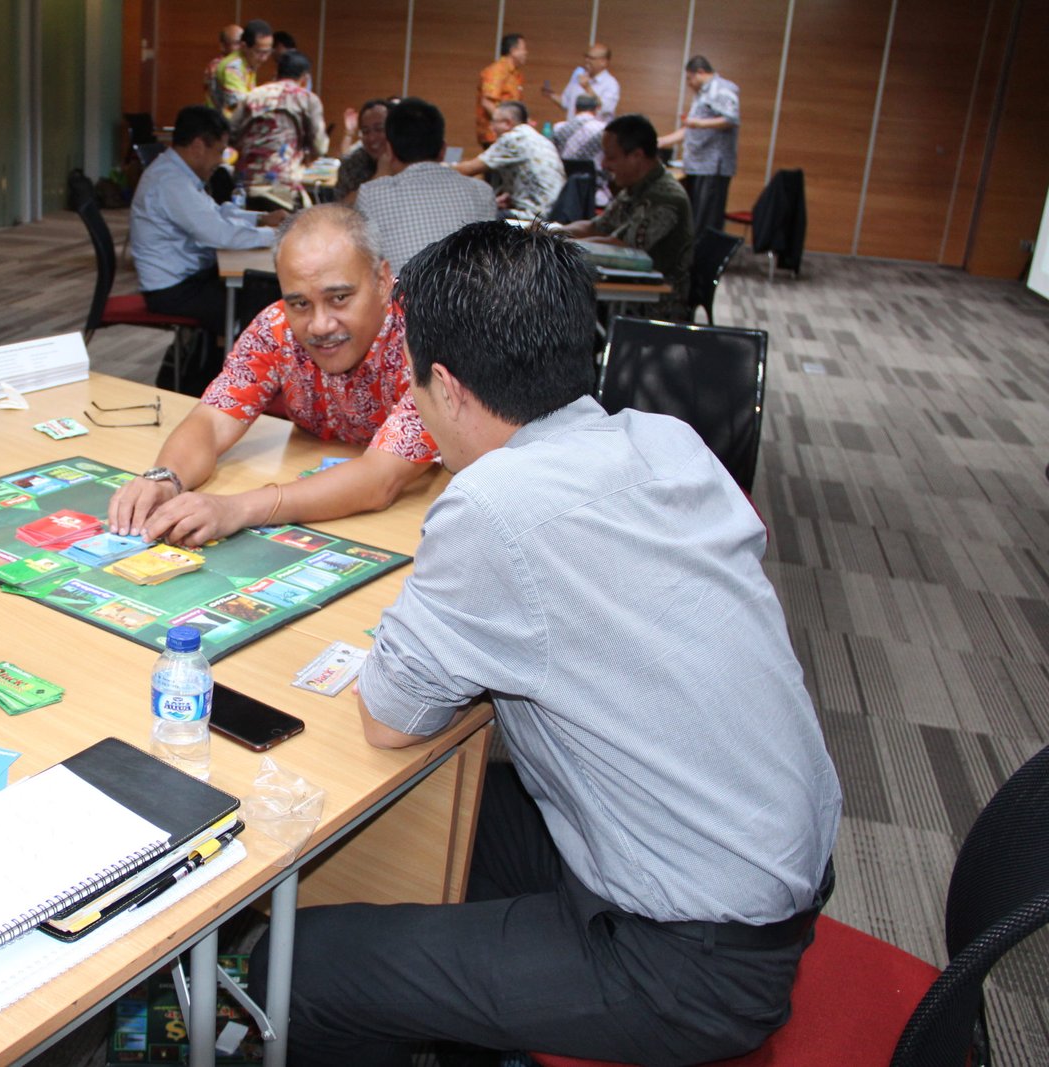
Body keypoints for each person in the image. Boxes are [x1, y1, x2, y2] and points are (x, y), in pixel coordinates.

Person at [249, 219, 841, 1067]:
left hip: (686, 960)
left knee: (296, 966)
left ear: (447, 387)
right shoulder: (666, 440)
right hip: (756, 862)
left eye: (414, 385)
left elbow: (388, 717)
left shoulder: (492, 503)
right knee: (419, 822)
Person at [107, 205, 436, 547]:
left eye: (339, 298)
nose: (320, 325)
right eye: (300, 304)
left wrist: (238, 508)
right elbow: (212, 421)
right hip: (325, 507)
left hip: (416, 523)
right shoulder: (276, 326)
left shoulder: (427, 339)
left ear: (382, 282)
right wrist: (165, 479)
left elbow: (379, 481)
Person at [129, 105, 285, 394]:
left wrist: (261, 220)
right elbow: (218, 234)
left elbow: (215, 214)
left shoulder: (177, 173)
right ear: (199, 146)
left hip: (185, 280)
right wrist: (276, 235)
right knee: (261, 302)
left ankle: (227, 380)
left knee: (257, 291)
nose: (220, 160)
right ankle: (231, 388)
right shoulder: (170, 181)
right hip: (172, 291)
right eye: (219, 151)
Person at [559, 113, 693, 320]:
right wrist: (549, 231)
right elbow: (597, 227)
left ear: (637, 156)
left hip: (654, 307)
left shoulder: (666, 197)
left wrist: (557, 244)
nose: (603, 164)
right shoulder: (636, 187)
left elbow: (620, 246)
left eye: (611, 157)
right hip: (626, 292)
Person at [356, 98, 496, 272]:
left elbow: (366, 264)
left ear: (389, 150)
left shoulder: (370, 194)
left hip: (401, 289)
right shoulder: (482, 191)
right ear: (443, 150)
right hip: (469, 289)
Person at [659, 55, 740, 236]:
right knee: (696, 220)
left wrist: (699, 123)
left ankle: (704, 254)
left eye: (689, 78)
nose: (688, 83)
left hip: (712, 166)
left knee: (706, 221)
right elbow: (691, 129)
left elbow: (731, 119)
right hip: (698, 165)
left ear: (700, 72)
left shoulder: (721, 89)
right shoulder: (703, 93)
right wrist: (662, 141)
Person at [232, 50, 328, 187]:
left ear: (277, 73)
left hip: (244, 180)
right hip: (283, 182)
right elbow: (320, 147)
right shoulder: (308, 99)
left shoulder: (252, 95)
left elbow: (231, 134)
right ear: (305, 77)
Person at [454, 101, 565, 218]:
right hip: (554, 212)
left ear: (507, 123)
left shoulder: (513, 138)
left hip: (534, 216)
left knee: (468, 218)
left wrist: (441, 167)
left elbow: (467, 170)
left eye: (493, 122)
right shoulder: (539, 138)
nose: (491, 127)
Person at [333, 98, 394, 204]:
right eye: (365, 131)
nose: (371, 138)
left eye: (379, 129)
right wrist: (378, 177)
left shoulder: (408, 162)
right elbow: (340, 209)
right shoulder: (351, 165)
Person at [555, 94, 609, 207]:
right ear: (596, 110)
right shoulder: (604, 130)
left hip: (563, 190)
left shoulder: (558, 128)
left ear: (575, 109)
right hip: (596, 192)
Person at [212, 19, 274, 116]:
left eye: (267, 52)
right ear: (244, 46)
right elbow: (241, 105)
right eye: (259, 52)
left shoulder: (249, 61)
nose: (264, 58)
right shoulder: (232, 67)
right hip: (224, 122)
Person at [542, 42, 619, 120]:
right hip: (572, 127)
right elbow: (566, 103)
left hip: (595, 128)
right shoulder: (578, 77)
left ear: (603, 62)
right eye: (586, 56)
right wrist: (551, 95)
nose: (586, 60)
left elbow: (605, 109)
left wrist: (587, 88)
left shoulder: (611, 84)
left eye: (591, 58)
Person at [476, 33, 527, 148]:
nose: (526, 53)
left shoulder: (516, 74)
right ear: (513, 51)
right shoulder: (497, 71)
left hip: (509, 135)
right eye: (523, 49)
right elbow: (487, 102)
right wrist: (507, 124)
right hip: (495, 135)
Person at [203, 24, 242, 104]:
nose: (241, 47)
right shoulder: (216, 67)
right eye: (237, 43)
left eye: (243, 43)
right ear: (223, 46)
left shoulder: (244, 65)